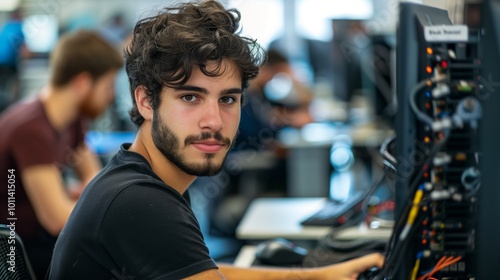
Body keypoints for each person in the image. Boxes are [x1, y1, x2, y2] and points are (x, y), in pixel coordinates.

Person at [48, 1, 384, 279]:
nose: (214, 121)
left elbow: (200, 269)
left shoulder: (141, 179)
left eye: (227, 99)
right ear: (146, 101)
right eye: (190, 97)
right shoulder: (139, 202)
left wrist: (313, 275)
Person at [0, 30, 123, 278]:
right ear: (82, 82)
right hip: (17, 253)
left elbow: (93, 180)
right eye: (108, 85)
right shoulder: (31, 129)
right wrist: (79, 201)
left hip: (43, 240)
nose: (111, 95)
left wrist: (76, 198)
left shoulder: (72, 119)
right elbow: (56, 219)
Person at [0, 8, 30, 112]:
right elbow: (25, 52)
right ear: (19, 16)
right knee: (15, 88)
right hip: (10, 65)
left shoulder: (6, 26)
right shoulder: (19, 27)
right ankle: (14, 111)